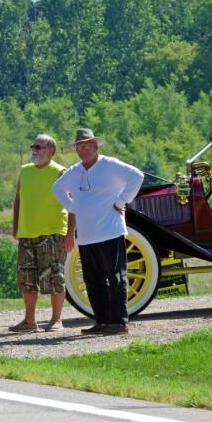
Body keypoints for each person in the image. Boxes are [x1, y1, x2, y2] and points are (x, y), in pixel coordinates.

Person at [52, 128, 144, 335]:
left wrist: (122, 200)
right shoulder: (75, 171)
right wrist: (71, 205)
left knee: (115, 276)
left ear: (95, 147)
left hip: (110, 231)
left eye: (86, 146)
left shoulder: (110, 165)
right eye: (79, 147)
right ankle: (102, 321)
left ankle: (119, 322)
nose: (83, 150)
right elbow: (57, 188)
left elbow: (137, 176)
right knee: (92, 279)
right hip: (86, 235)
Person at [10, 134, 76, 333]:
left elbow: (72, 204)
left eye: (39, 147)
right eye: (33, 146)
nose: (34, 150)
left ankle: (56, 320)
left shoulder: (60, 172)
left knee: (55, 277)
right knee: (27, 278)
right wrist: (15, 227)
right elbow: (18, 201)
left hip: (53, 233)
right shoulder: (25, 171)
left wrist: (70, 233)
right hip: (27, 233)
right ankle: (29, 321)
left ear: (51, 151)